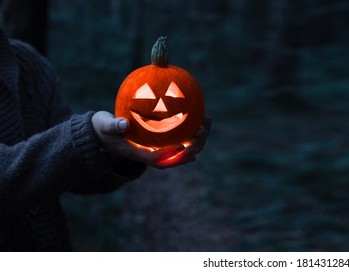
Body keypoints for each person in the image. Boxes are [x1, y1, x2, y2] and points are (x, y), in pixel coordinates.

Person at [0, 26, 211, 251]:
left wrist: (117, 150)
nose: (160, 107)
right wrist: (86, 136)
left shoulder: (30, 65)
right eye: (148, 96)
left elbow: (70, 169)